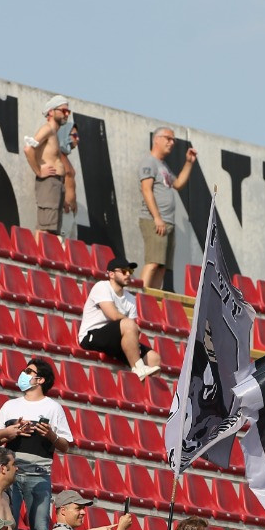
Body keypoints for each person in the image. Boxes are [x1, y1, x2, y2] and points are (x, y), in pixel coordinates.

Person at [79, 258, 160, 378]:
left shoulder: (131, 299)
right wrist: (131, 326)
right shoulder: (102, 287)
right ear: (111, 274)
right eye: (124, 271)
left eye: (130, 271)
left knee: (154, 358)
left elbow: (133, 331)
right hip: (92, 336)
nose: (128, 274)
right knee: (128, 324)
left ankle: (146, 395)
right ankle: (138, 368)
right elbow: (114, 315)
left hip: (115, 340)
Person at [136, 128, 195, 292]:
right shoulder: (149, 162)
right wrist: (157, 217)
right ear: (156, 139)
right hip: (155, 220)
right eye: (168, 138)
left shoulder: (163, 166)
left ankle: (152, 301)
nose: (171, 142)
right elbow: (146, 190)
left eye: (173, 140)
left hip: (167, 222)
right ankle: (141, 298)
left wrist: (189, 162)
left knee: (162, 267)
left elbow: (178, 184)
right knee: (153, 263)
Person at [25, 97, 73, 233]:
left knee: (53, 230)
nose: (66, 114)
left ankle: (45, 254)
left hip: (56, 184)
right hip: (49, 182)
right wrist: (39, 171)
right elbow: (28, 148)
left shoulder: (54, 134)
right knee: (44, 228)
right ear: (51, 112)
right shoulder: (47, 129)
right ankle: (38, 254)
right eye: (64, 110)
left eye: (68, 111)